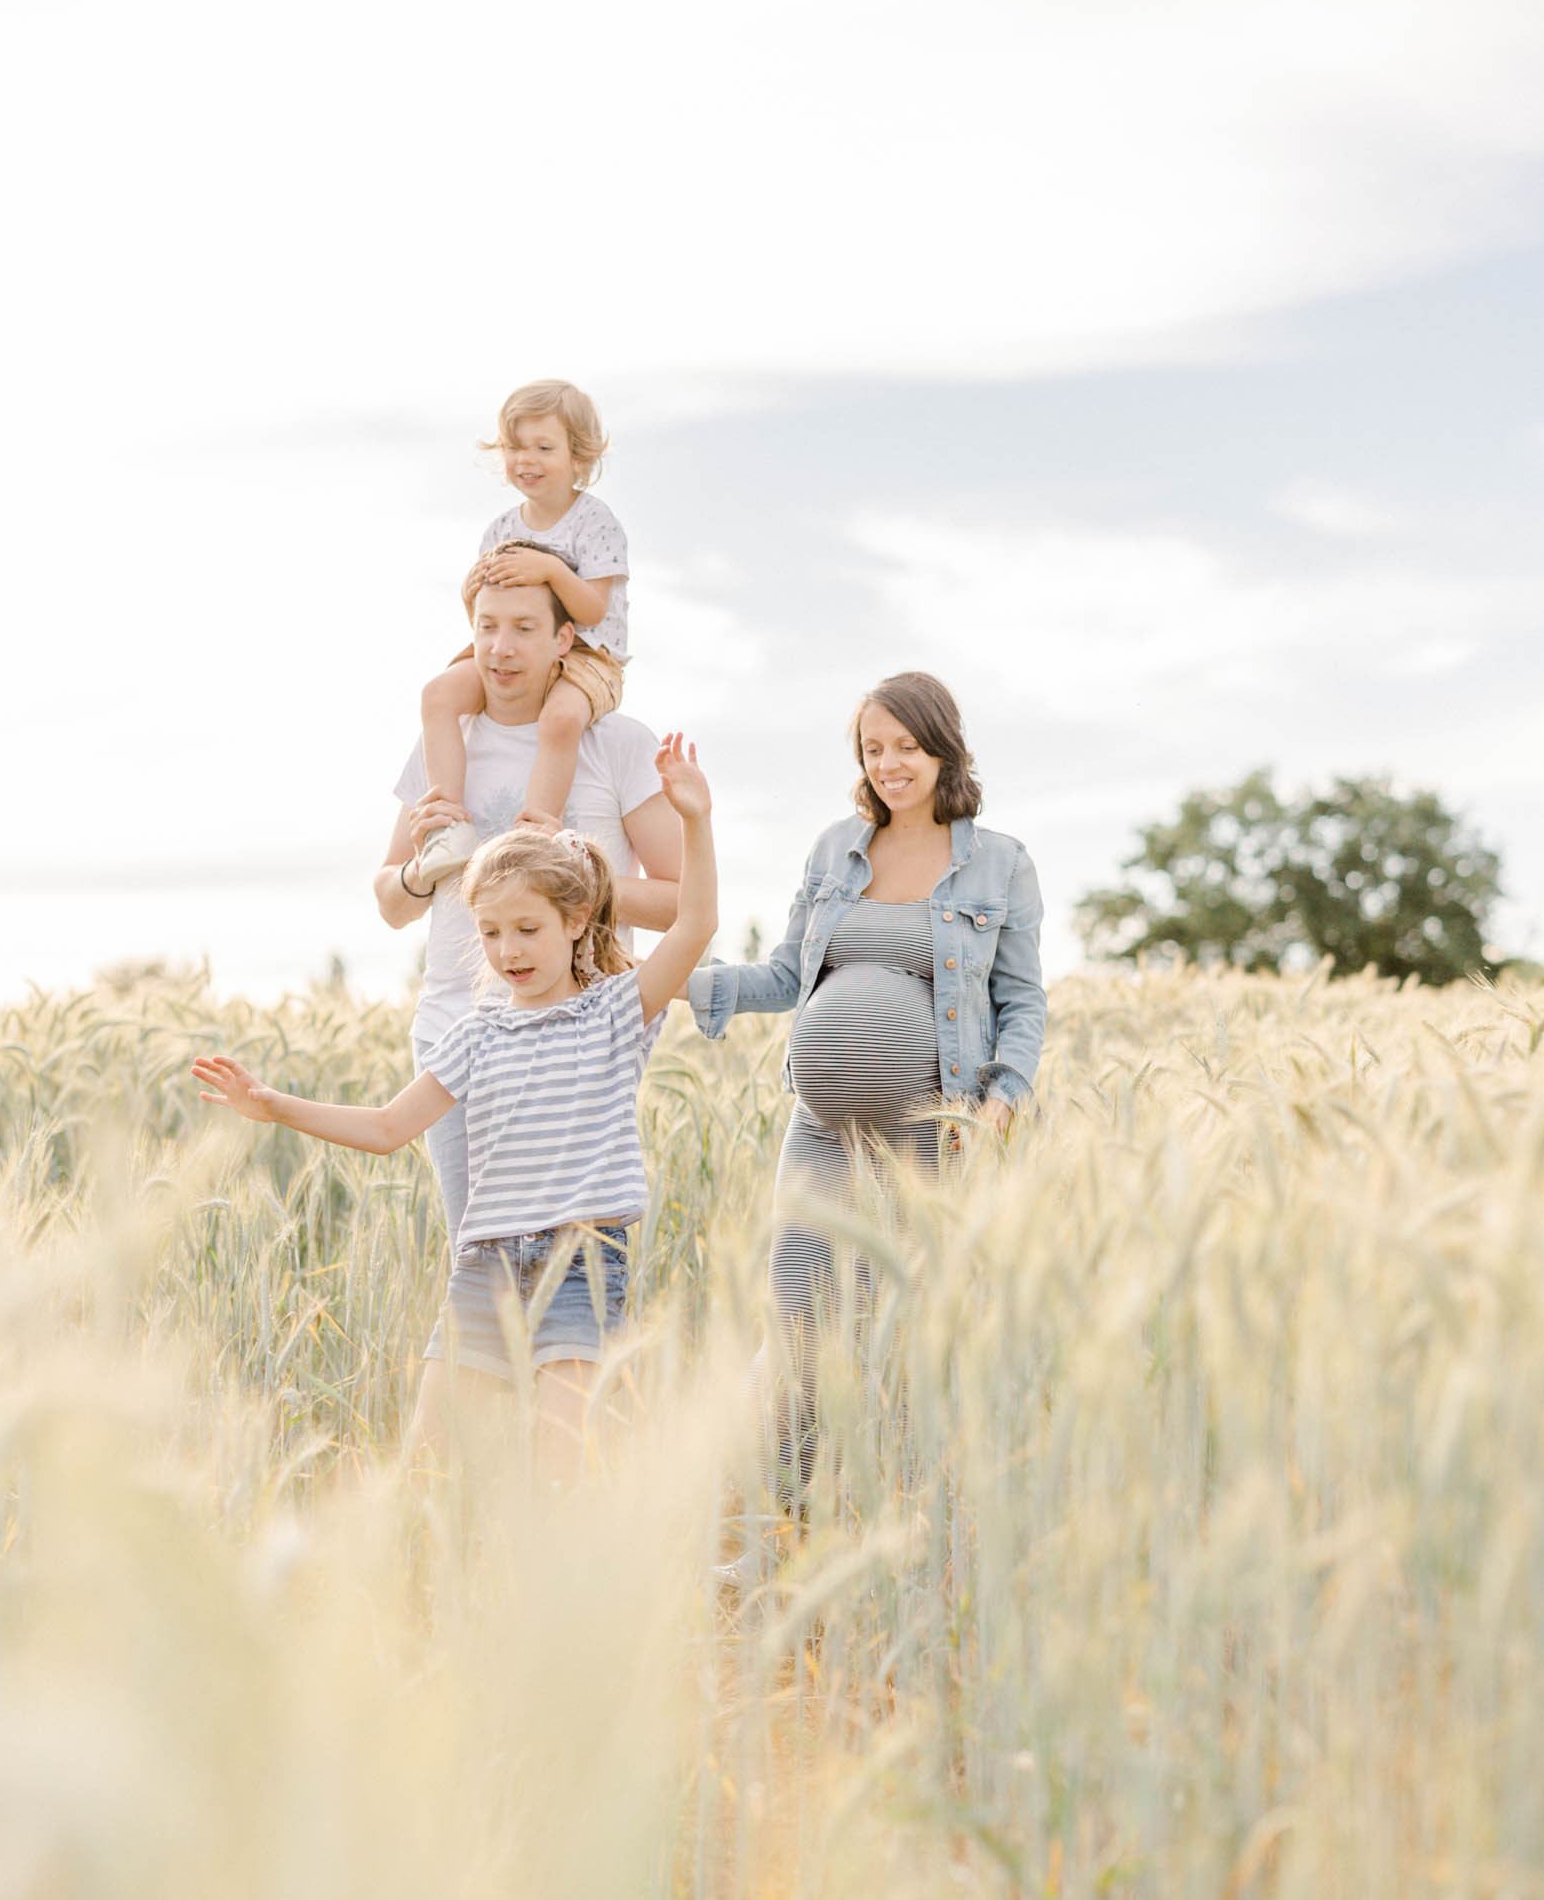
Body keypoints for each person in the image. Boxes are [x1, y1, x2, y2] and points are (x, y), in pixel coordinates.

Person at [195, 739, 717, 1453]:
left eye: (527, 929)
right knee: (429, 1459)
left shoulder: (617, 1010)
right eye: (490, 933)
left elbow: (695, 925)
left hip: (581, 1266)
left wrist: (695, 820)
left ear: (576, 920)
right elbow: (388, 1127)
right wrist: (272, 1104)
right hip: (484, 1268)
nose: (508, 951)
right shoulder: (476, 1033)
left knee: (562, 1457)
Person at [686, 670, 1046, 1332]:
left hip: (936, 1133)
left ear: (943, 748)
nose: (888, 765)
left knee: (905, 1325)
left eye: (907, 746)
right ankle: (791, 1411)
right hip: (821, 1133)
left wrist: (1002, 1100)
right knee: (797, 1318)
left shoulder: (1002, 864)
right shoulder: (834, 850)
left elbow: (1022, 1001)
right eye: (873, 749)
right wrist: (672, 978)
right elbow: (787, 975)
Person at [374, 574, 684, 1249]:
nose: (501, 647)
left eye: (523, 628)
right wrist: (421, 870)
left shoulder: (618, 744)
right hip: (455, 1031)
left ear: (563, 639)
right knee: (476, 1256)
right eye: (486, 627)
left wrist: (573, 878)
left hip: (575, 1040)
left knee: (573, 1262)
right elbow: (390, 904)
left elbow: (681, 902)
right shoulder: (443, 745)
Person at [414, 379, 631, 880]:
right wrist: (469, 593)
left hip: (588, 655)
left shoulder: (596, 522)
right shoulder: (500, 529)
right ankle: (447, 825)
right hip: (515, 648)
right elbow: (488, 611)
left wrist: (552, 570)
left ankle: (536, 831)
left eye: (544, 448)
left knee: (560, 719)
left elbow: (593, 609)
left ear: (579, 457)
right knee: (438, 695)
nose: (526, 460)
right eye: (515, 447)